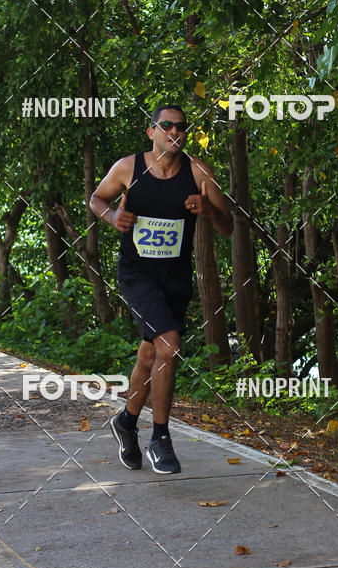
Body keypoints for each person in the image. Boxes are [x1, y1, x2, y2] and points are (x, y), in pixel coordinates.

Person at [90, 104, 233, 474]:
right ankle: (161, 438)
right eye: (166, 125)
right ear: (152, 131)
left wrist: (209, 210)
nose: (174, 131)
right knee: (169, 344)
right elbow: (96, 199)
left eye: (181, 127)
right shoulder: (129, 168)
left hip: (175, 278)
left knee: (151, 356)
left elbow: (228, 226)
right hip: (137, 274)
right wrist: (111, 217)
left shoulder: (198, 171)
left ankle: (125, 421)